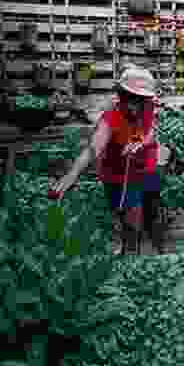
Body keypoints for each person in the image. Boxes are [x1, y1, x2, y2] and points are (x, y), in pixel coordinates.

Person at [52, 64, 162, 255]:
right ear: (121, 95)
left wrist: (141, 140)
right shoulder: (111, 117)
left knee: (136, 211)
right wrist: (73, 173)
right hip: (115, 171)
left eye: (140, 100)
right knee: (120, 211)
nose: (135, 106)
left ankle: (134, 249)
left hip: (142, 166)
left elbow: (152, 129)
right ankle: (123, 245)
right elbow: (94, 147)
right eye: (130, 99)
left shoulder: (149, 107)